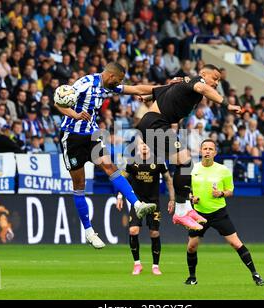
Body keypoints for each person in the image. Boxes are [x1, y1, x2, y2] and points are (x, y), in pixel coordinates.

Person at [55, 62, 172, 249]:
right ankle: (89, 231)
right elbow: (58, 102)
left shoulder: (107, 86)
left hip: (91, 135)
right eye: (119, 79)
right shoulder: (84, 84)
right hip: (72, 137)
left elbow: (136, 88)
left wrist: (169, 87)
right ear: (110, 76)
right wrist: (75, 115)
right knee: (79, 185)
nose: (120, 83)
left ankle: (137, 204)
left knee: (110, 167)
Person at [136, 64, 241, 230]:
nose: (216, 83)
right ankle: (181, 211)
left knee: (185, 164)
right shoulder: (197, 82)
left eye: (219, 81)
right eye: (214, 78)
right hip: (154, 123)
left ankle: (185, 208)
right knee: (185, 163)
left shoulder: (184, 86)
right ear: (203, 74)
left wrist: (147, 96)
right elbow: (204, 89)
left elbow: (159, 90)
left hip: (155, 124)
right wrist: (226, 105)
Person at [185, 139, 264, 286]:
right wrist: (192, 198)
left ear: (215, 153)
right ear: (201, 151)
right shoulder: (193, 169)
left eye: (210, 149)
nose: (207, 151)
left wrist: (221, 193)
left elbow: (231, 191)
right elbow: (186, 191)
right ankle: (192, 277)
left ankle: (255, 274)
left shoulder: (223, 170)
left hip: (218, 213)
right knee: (191, 246)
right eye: (205, 148)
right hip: (198, 214)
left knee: (236, 243)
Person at [116, 138, 175, 276]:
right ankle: (137, 264)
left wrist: (172, 199)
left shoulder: (159, 161)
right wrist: (119, 196)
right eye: (142, 144)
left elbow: (168, 179)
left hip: (154, 203)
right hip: (137, 203)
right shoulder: (132, 162)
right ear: (137, 146)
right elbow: (123, 180)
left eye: (147, 144)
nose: (144, 146)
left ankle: (155, 266)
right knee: (133, 230)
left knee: (154, 232)